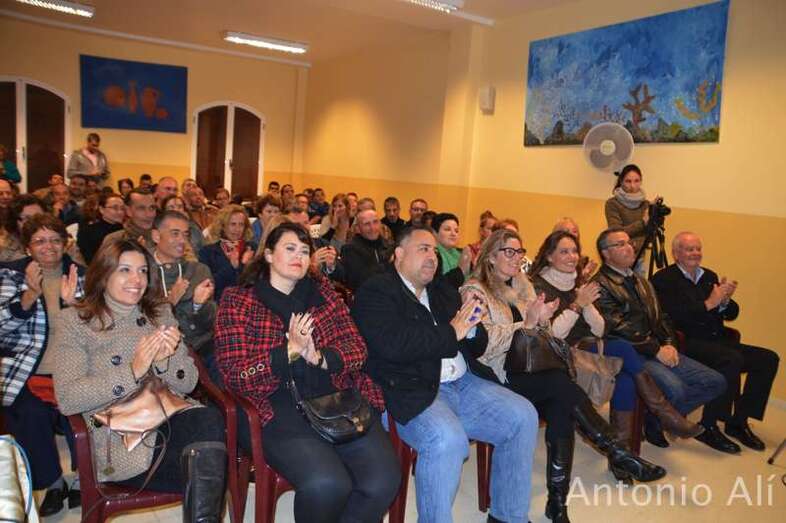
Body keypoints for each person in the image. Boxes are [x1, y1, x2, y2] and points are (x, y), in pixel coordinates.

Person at [462, 228, 666, 523]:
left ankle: (558, 502)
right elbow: (482, 343)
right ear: (491, 257)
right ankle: (616, 453)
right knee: (562, 387)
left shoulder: (523, 285)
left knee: (562, 404)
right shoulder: (475, 290)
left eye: (519, 252)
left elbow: (544, 335)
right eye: (508, 251)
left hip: (530, 369)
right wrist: (527, 323)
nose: (516, 258)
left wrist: (541, 320)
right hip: (496, 372)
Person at [352, 226, 538, 523]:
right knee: (448, 441)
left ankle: (507, 517)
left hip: (464, 382)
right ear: (399, 254)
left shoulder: (441, 291)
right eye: (423, 249)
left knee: (523, 415)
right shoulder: (376, 291)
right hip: (412, 390)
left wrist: (472, 326)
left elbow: (477, 344)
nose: (432, 256)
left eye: (434, 251)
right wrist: (454, 331)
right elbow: (394, 345)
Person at [214, 222, 399, 522]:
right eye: (290, 248)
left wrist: (322, 358)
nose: (298, 256)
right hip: (275, 407)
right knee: (328, 484)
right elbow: (235, 374)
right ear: (269, 255)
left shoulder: (324, 295)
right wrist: (288, 352)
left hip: (336, 400)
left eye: (304, 251)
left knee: (383, 480)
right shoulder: (238, 301)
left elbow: (357, 348)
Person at [52, 238, 227, 523]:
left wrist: (164, 362)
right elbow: (68, 399)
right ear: (104, 273)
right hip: (119, 437)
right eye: (125, 270)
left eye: (143, 271)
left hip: (167, 416)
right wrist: (132, 371)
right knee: (208, 467)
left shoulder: (159, 312)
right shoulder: (75, 322)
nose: (137, 280)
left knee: (208, 422)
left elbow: (188, 383)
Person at [528, 231, 702, 446]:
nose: (572, 257)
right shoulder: (538, 286)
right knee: (622, 347)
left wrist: (586, 304)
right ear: (549, 256)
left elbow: (600, 329)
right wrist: (577, 305)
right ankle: (665, 414)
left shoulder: (578, 283)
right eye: (564, 252)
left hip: (586, 347)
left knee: (626, 381)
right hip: (557, 354)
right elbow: (553, 335)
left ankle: (622, 449)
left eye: (574, 251)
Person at [592, 228, 727, 451]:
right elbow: (617, 328)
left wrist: (669, 344)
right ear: (605, 253)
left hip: (657, 347)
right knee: (676, 389)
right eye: (620, 244)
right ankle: (665, 418)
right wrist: (655, 349)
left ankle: (655, 420)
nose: (629, 248)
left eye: (629, 242)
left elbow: (662, 317)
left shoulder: (641, 281)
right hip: (631, 353)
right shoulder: (600, 285)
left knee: (716, 381)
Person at [651, 232, 779, 452]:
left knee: (767, 358)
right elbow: (671, 317)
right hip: (686, 342)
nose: (695, 253)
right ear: (676, 253)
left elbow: (732, 314)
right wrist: (709, 304)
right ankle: (708, 426)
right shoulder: (664, 279)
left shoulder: (709, 275)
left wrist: (725, 301)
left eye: (698, 249)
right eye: (689, 249)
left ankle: (738, 421)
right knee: (731, 359)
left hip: (717, 339)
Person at [0, 214, 84, 516]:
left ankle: (82, 478)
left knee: (86, 408)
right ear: (28, 247)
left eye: (55, 240)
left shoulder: (81, 275)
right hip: (27, 369)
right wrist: (28, 297)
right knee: (28, 413)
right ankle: (53, 482)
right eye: (40, 241)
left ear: (65, 244)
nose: (48, 246)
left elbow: (100, 325)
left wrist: (76, 306)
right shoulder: (9, 275)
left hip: (74, 367)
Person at [151, 211, 220, 384]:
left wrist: (197, 306)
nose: (182, 240)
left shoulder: (199, 270)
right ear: (156, 236)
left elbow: (210, 321)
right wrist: (170, 303)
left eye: (185, 234)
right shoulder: (142, 272)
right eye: (175, 234)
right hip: (158, 351)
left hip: (201, 346)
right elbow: (141, 322)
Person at [200, 204, 256, 301]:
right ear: (222, 226)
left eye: (241, 224)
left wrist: (245, 265)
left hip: (248, 303)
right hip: (220, 303)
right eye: (233, 224)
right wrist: (231, 267)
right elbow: (209, 285)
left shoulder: (252, 248)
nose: (237, 229)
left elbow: (256, 282)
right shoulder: (207, 251)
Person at [337, 209, 392, 292]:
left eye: (375, 222)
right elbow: (361, 281)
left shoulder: (389, 246)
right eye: (367, 224)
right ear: (358, 228)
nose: (372, 228)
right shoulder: (350, 249)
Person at [77, 192, 125, 265]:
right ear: (101, 209)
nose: (120, 212)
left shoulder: (126, 229)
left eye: (122, 208)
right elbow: (88, 260)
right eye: (115, 208)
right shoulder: (88, 231)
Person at [0, 194, 50, 263]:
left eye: (39, 217)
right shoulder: (7, 253)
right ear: (14, 221)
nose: (35, 222)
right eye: (27, 218)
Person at [431, 212, 472, 288]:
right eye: (447, 229)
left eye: (456, 231)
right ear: (434, 233)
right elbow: (436, 286)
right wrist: (461, 269)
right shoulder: (432, 255)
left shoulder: (461, 253)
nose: (453, 234)